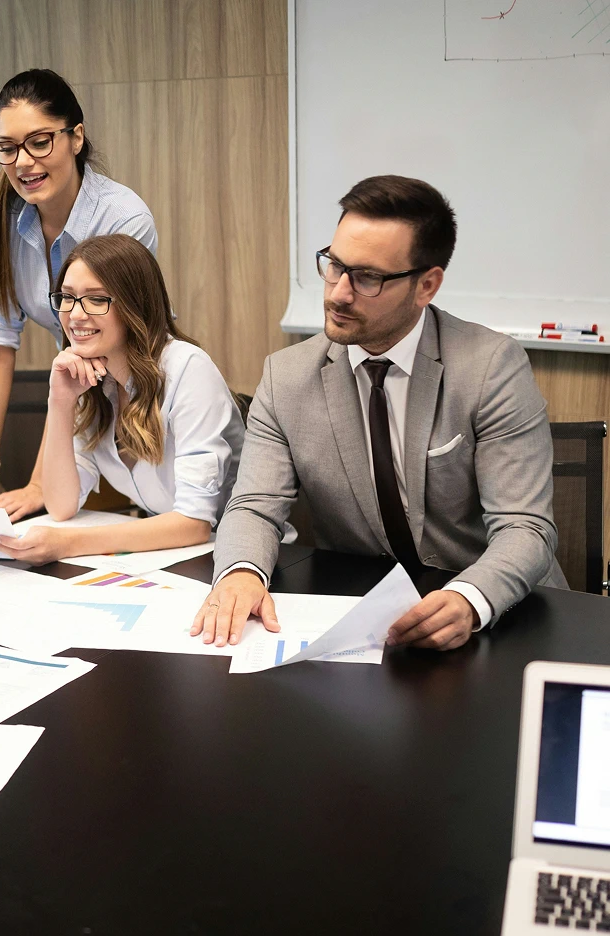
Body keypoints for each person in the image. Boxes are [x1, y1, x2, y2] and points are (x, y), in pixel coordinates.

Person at [192, 175, 567, 651]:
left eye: (367, 277)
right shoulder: (286, 378)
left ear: (426, 285)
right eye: (334, 265)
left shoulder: (491, 367)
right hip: (366, 620)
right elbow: (254, 507)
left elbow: (524, 526)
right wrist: (241, 572)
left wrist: (470, 598)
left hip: (502, 618)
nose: (338, 294)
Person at [0, 68, 157, 521]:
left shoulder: (123, 217)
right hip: (77, 390)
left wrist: (39, 480)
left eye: (40, 142)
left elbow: (97, 350)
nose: (23, 162)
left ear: (76, 137)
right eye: (8, 148)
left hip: (135, 397)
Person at [0, 234, 243, 565]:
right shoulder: (90, 377)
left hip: (243, 558)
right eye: (66, 298)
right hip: (177, 558)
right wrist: (60, 402)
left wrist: (68, 543)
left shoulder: (187, 368)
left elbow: (194, 524)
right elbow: (61, 504)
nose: (75, 315)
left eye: (96, 299)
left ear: (133, 304)